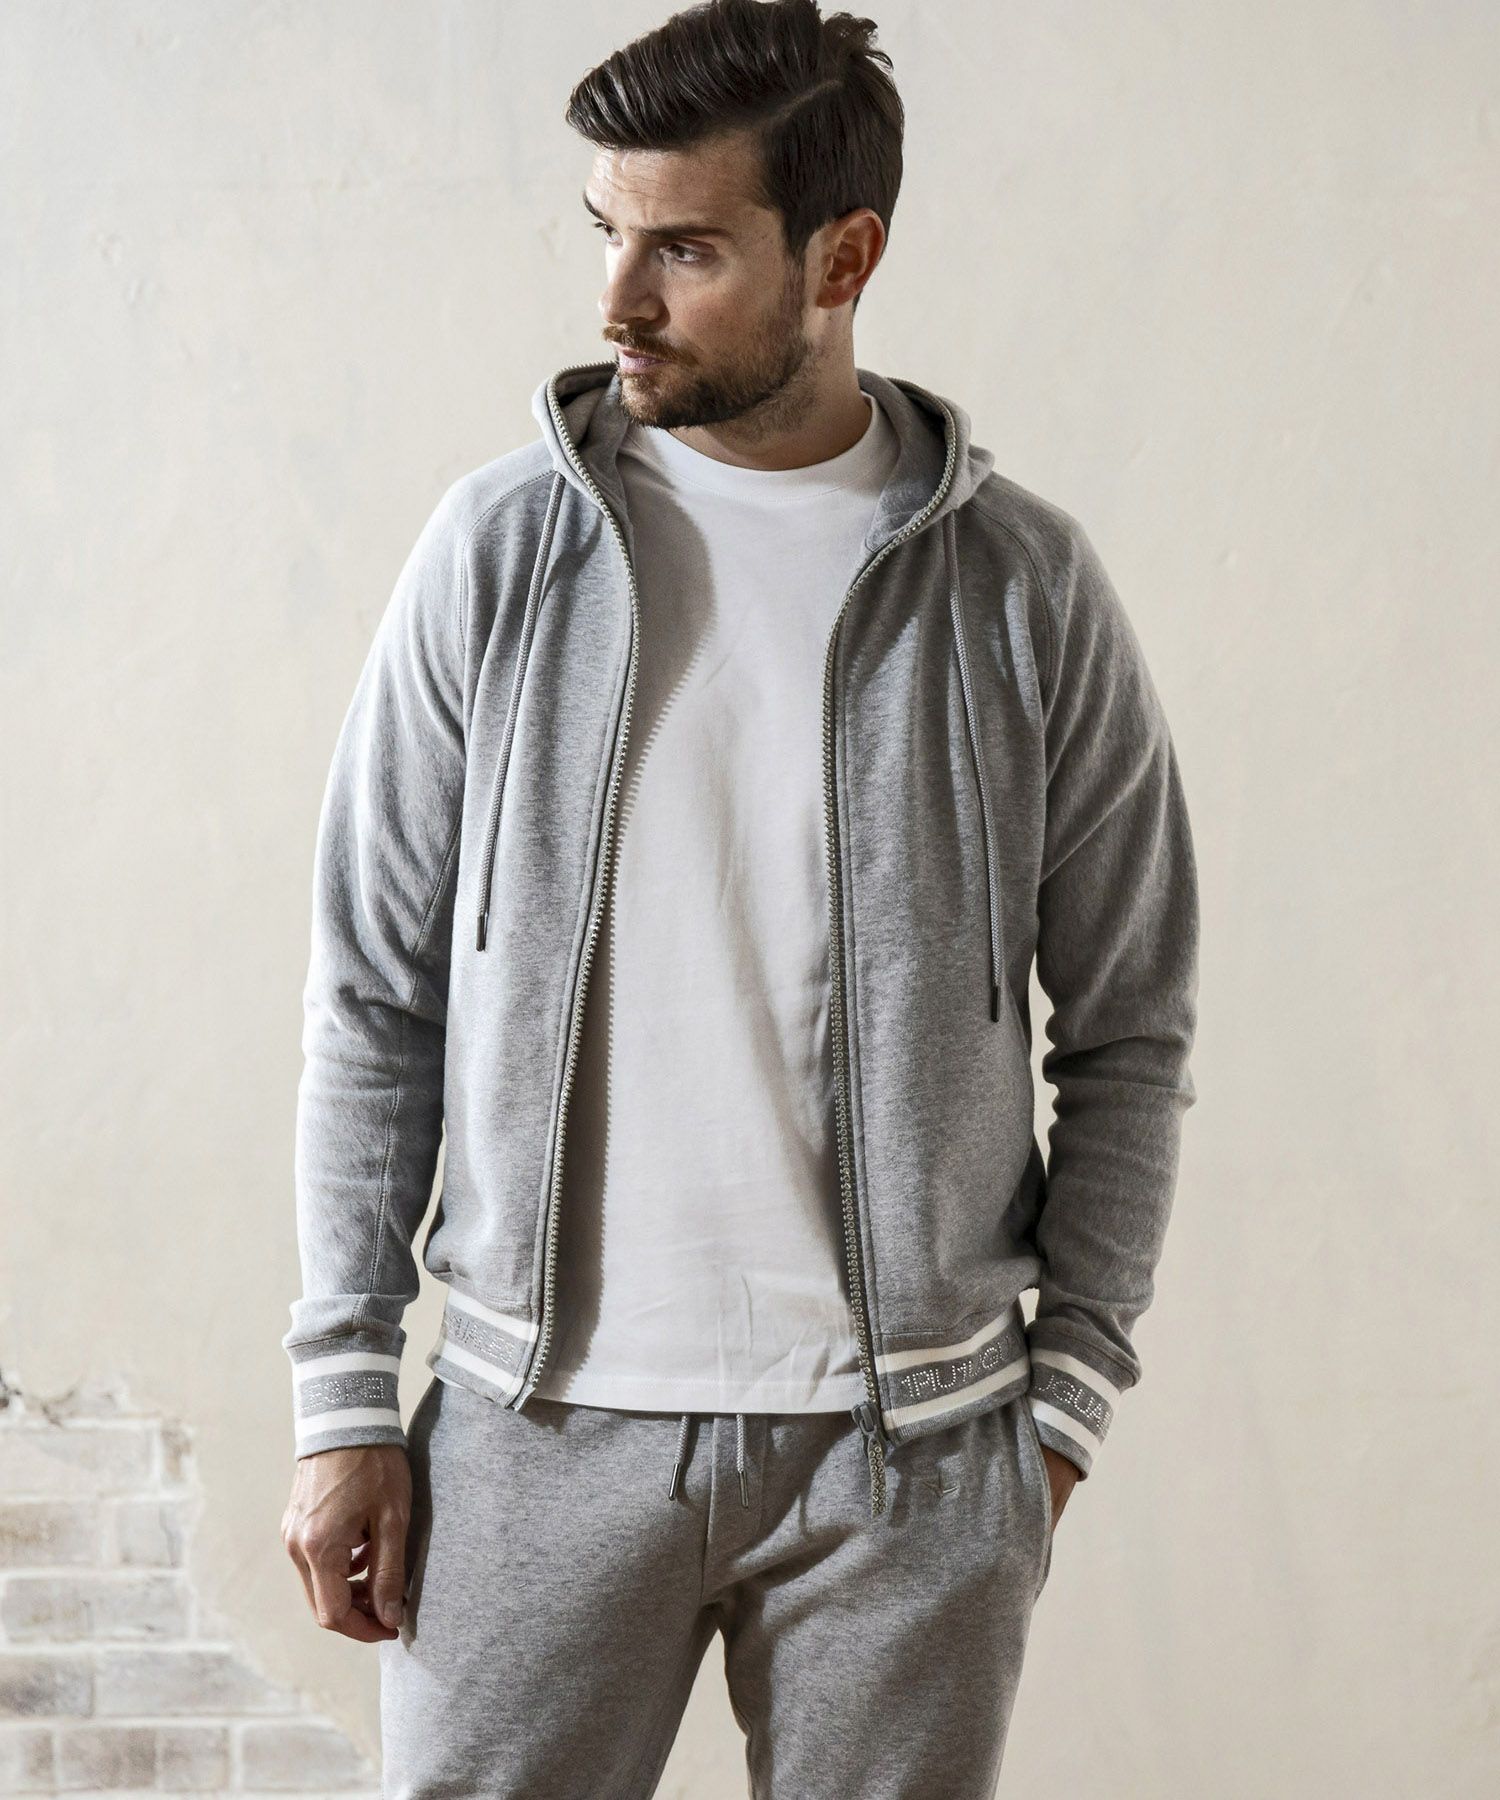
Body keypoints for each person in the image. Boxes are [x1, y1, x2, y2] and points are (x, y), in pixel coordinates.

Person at [279, 2, 1200, 1793]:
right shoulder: (498, 557)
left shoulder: (1023, 590)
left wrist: (1063, 1405)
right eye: (606, 236)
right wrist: (342, 1393)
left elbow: (1133, 1025)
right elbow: (374, 992)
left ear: (842, 258)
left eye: (685, 251)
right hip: (534, 1429)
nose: (617, 301)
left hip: (912, 1456)